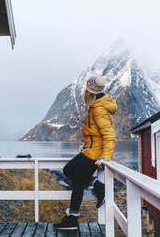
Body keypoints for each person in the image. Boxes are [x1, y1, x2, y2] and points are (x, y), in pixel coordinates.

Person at [53, 76, 116, 230]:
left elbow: (109, 135)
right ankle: (96, 185)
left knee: (78, 182)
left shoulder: (99, 109)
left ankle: (72, 219)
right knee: (69, 170)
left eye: (86, 91)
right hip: (90, 149)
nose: (84, 93)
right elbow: (93, 133)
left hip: (94, 154)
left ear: (90, 93)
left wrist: (106, 157)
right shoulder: (95, 105)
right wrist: (85, 143)